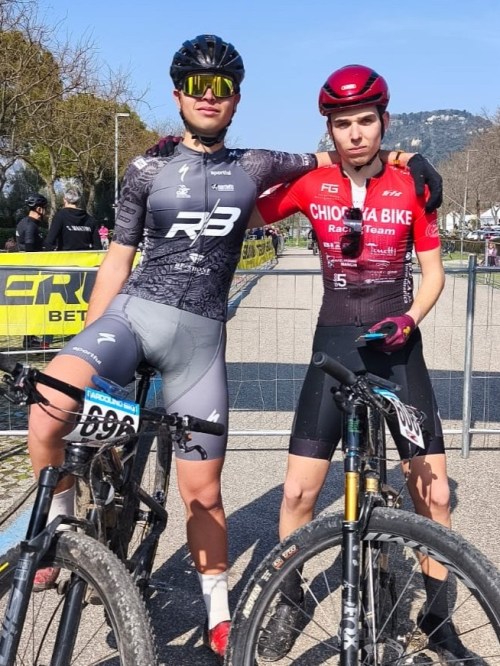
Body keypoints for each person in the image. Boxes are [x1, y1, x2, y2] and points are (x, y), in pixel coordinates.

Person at [25, 37, 442, 659]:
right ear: (178, 95)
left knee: (205, 493)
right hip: (136, 317)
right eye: (197, 86)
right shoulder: (145, 169)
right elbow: (118, 260)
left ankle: (223, 617)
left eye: (221, 87)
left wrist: (410, 156)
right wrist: (89, 338)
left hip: (204, 344)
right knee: (49, 406)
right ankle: (60, 522)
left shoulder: (262, 164)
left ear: (237, 99)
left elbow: (345, 151)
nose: (209, 96)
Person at [252, 64, 467, 662]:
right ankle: (290, 599)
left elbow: (433, 273)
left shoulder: (411, 186)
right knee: (298, 491)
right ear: (329, 129)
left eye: (365, 121)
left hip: (397, 345)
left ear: (383, 121)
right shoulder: (311, 184)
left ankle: (437, 616)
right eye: (342, 123)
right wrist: (197, 167)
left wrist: (410, 318)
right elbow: (247, 210)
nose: (355, 133)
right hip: (335, 342)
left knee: (435, 494)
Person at [16, 194, 50, 349]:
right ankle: (29, 340)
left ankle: (29, 338)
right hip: (32, 271)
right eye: (45, 208)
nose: (46, 212)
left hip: (26, 270)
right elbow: (30, 248)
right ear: (39, 209)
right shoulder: (31, 225)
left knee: (31, 306)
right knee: (34, 306)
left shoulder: (23, 222)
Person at [44, 187, 100, 251]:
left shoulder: (60, 216)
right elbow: (98, 246)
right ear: (79, 201)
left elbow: (49, 242)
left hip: (65, 256)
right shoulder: (90, 219)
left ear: (64, 200)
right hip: (86, 256)